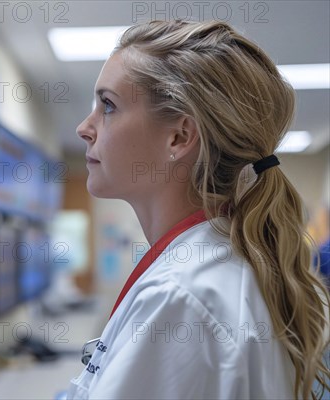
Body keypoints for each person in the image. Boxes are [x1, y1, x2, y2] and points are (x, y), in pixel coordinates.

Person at [68, 20, 330, 399]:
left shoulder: (180, 296)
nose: (84, 128)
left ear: (179, 137)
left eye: (107, 105)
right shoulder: (221, 266)